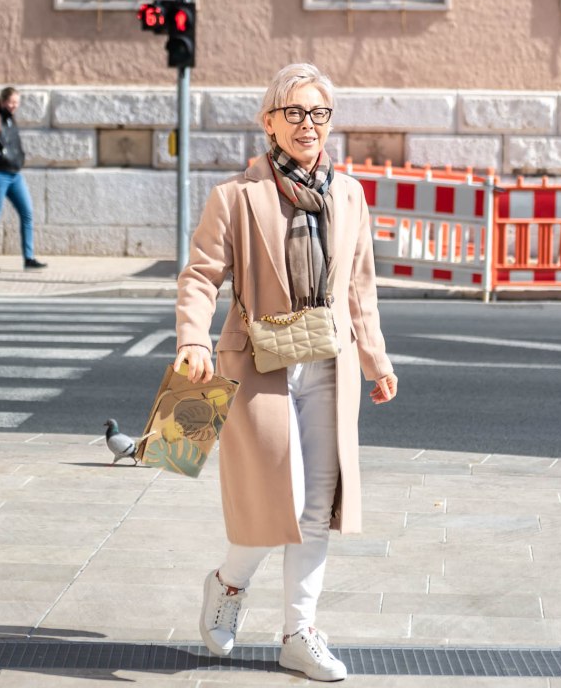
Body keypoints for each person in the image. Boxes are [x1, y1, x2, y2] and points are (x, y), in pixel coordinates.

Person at [173, 63, 398, 682]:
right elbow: (200, 278)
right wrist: (193, 340)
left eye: (318, 113)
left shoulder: (348, 193)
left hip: (330, 360)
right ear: (269, 122)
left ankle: (299, 632)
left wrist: (377, 359)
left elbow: (359, 286)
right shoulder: (235, 196)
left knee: (316, 503)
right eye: (294, 113)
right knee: (281, 497)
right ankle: (227, 582)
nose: (308, 125)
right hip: (261, 364)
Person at [0, 87, 46, 272]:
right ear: (2, 101)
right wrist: (2, 157)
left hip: (14, 175)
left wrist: (19, 158)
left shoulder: (11, 121)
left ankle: (28, 258)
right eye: (11, 102)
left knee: (27, 213)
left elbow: (14, 146)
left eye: (17, 103)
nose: (14, 106)